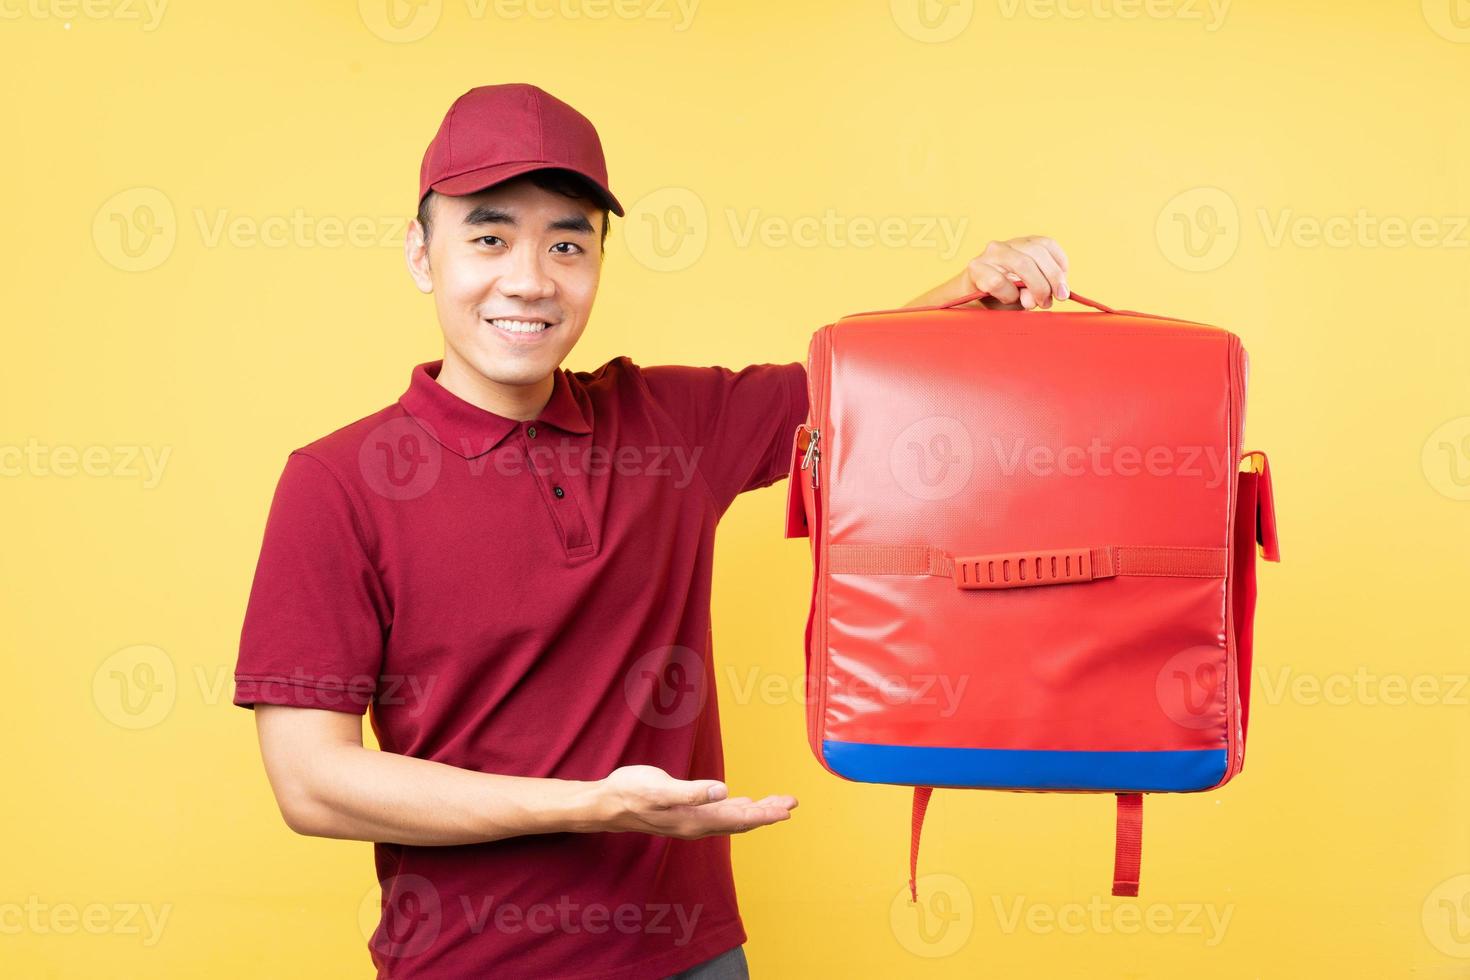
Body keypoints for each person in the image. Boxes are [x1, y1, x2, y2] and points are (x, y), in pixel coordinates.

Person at [232, 82, 1070, 979]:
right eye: (488, 236)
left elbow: (869, 382)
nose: (529, 278)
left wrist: (984, 287)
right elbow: (311, 782)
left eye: (567, 243)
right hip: (472, 965)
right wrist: (592, 806)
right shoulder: (336, 483)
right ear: (421, 253)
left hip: (696, 960)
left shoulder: (668, 428)